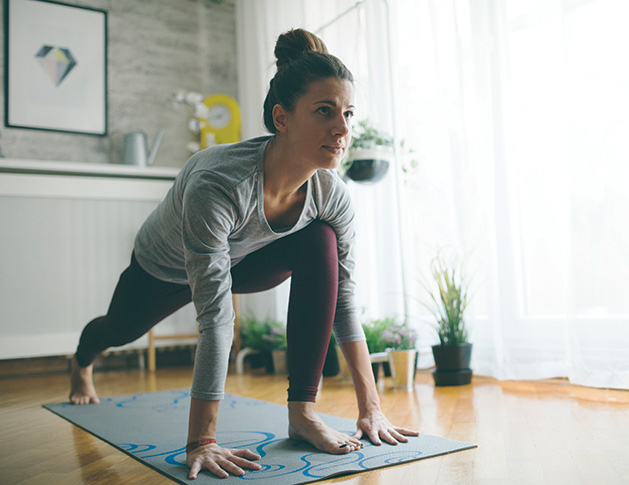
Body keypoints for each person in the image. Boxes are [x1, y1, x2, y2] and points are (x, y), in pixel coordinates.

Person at [69, 28, 419, 480]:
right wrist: (202, 441)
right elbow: (215, 317)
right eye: (325, 111)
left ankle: (303, 413)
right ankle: (80, 363)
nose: (343, 129)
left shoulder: (331, 193)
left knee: (320, 242)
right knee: (119, 329)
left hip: (247, 260)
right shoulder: (218, 184)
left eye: (349, 113)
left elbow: (344, 299)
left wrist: (372, 410)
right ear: (283, 118)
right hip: (165, 267)